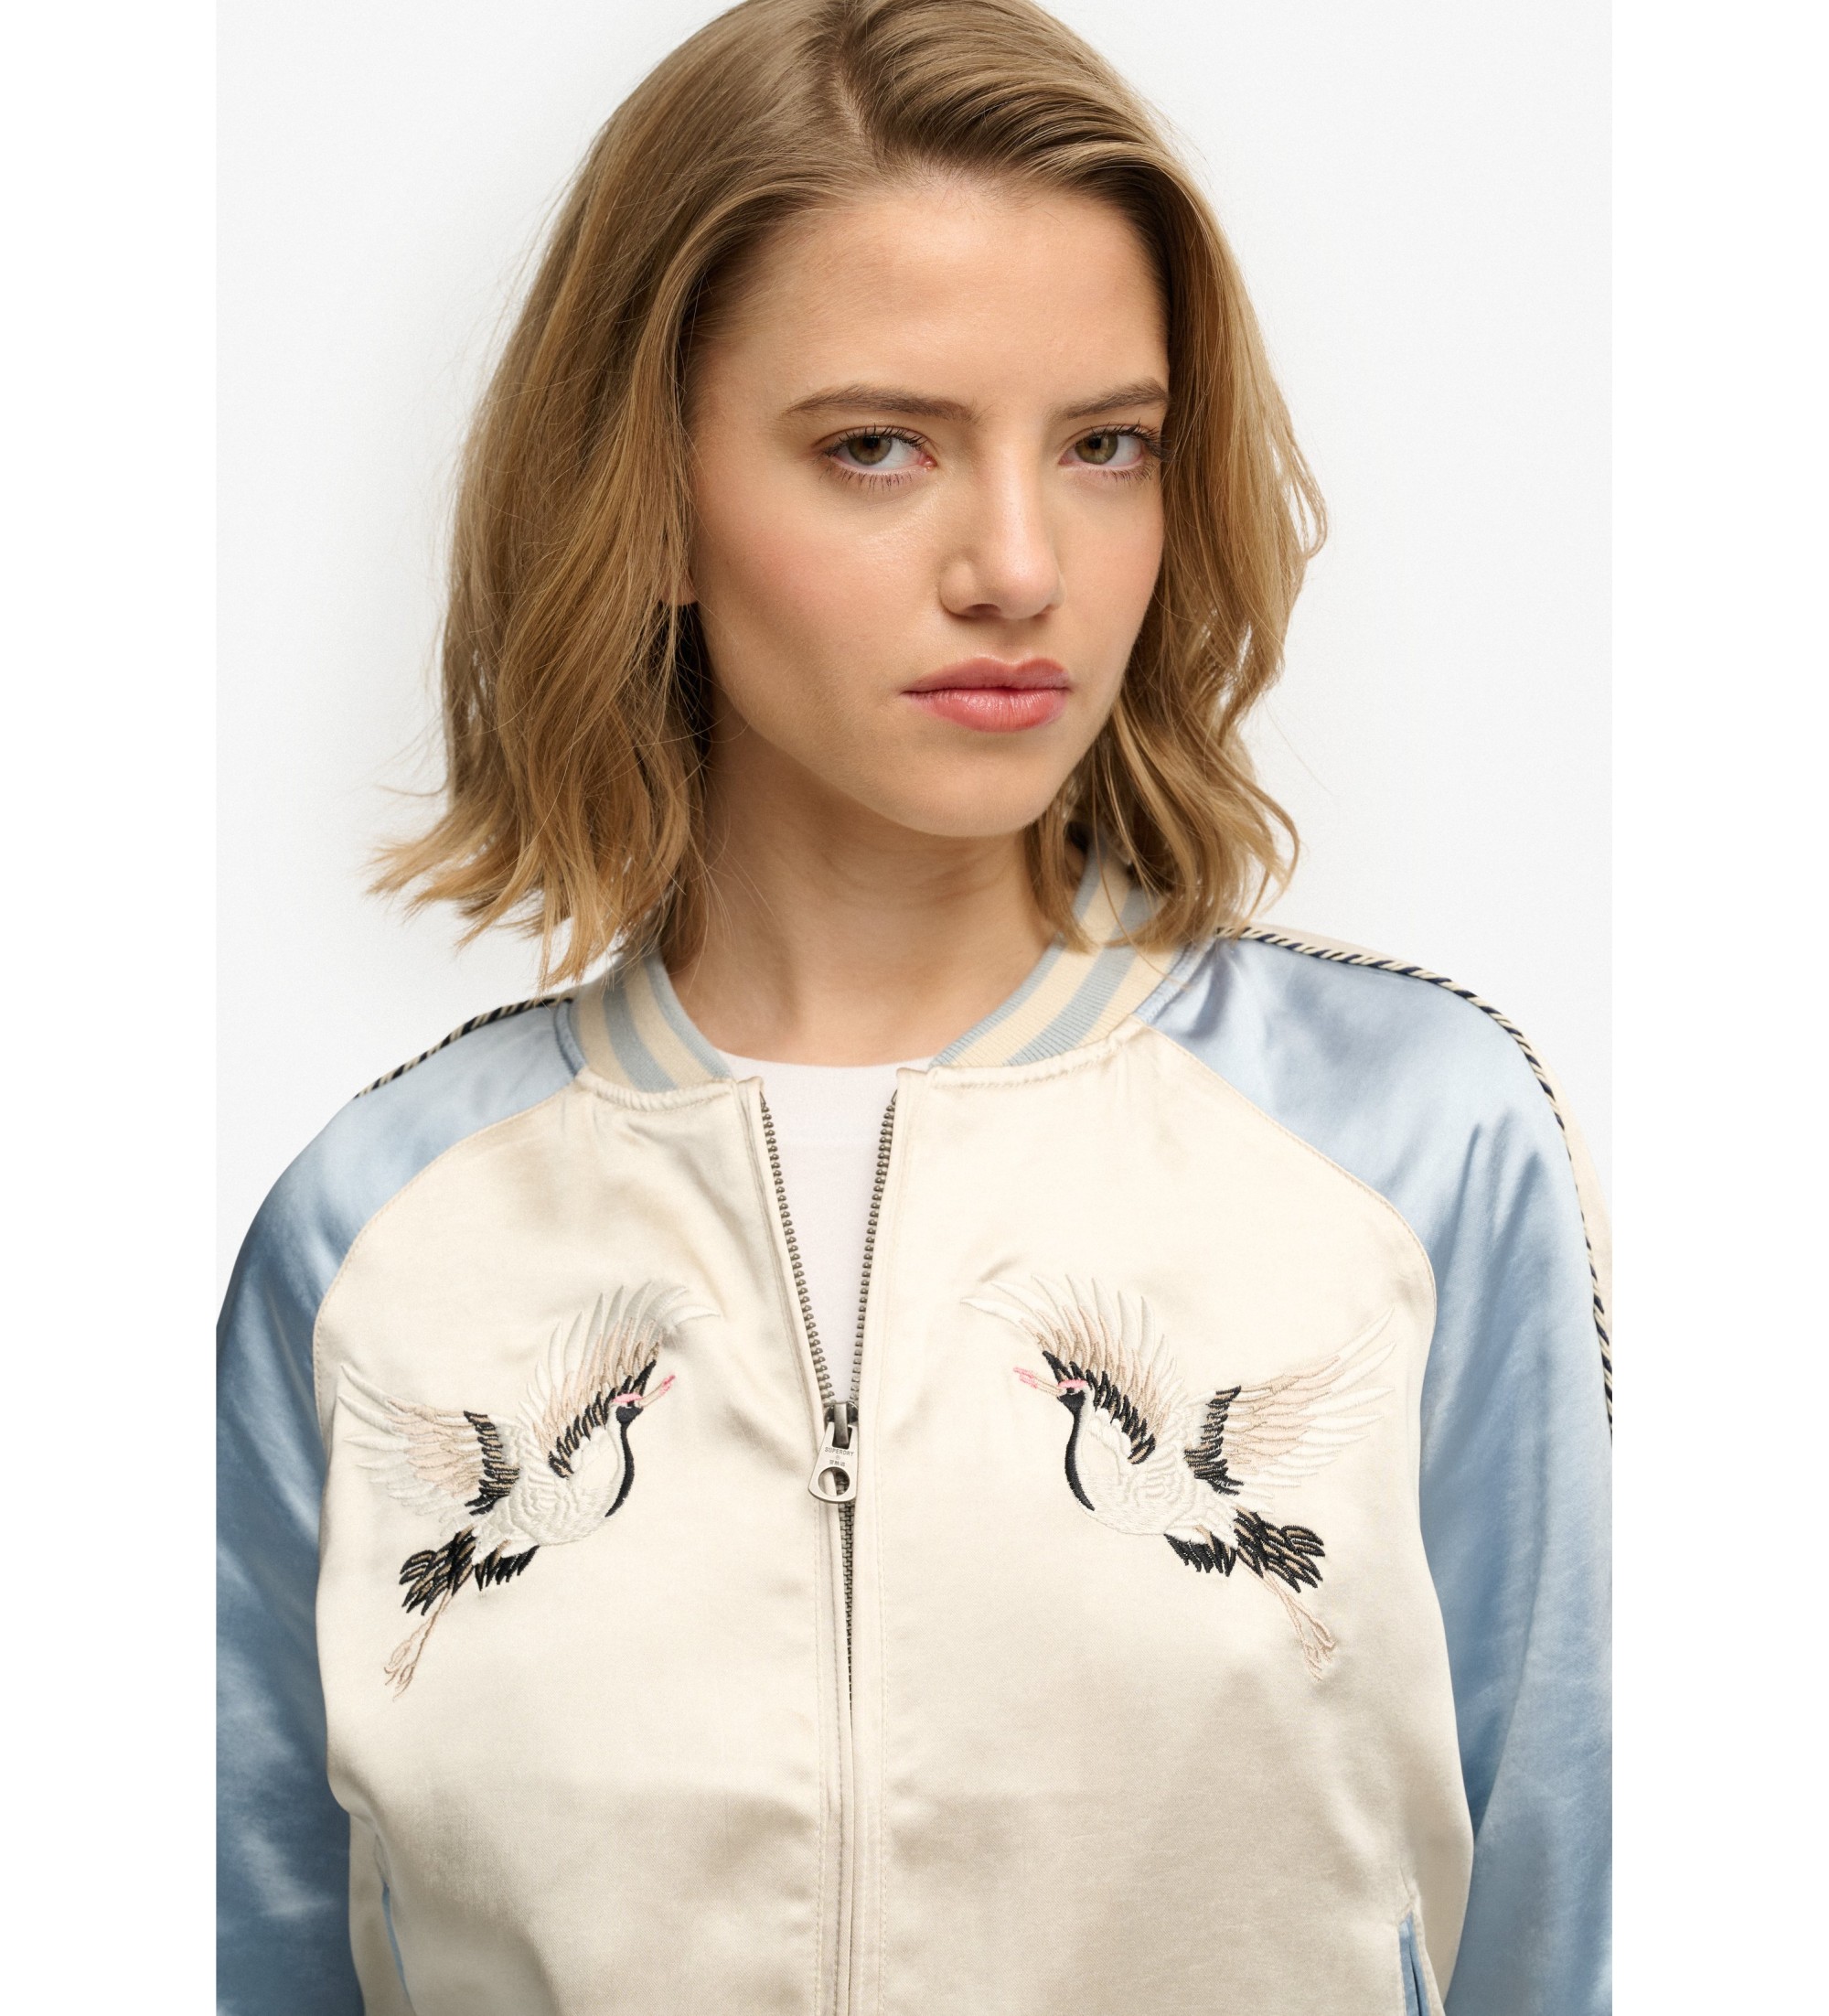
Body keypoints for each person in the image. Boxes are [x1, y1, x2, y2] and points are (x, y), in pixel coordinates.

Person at [217, 2, 1611, 2011]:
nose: (1021, 566)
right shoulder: (373, 1245)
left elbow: (1571, 1919)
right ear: (651, 489)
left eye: (1106, 445)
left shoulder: (1412, 1151)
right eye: (879, 446)